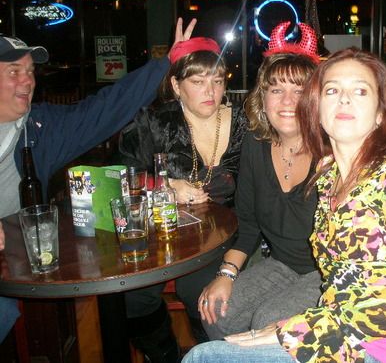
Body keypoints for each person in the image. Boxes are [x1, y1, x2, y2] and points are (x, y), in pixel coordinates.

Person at [183, 48, 386, 363]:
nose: (344, 100)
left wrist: (292, 330)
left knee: (204, 356)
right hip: (345, 324)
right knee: (214, 329)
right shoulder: (330, 175)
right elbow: (346, 281)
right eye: (332, 90)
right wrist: (229, 274)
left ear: (380, 113)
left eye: (360, 91)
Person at [0, 19, 195, 344]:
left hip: (15, 260)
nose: (27, 80)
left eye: (30, 71)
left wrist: (164, 65)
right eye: (14, 71)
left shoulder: (38, 128)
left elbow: (103, 109)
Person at [118, 34, 249, 361]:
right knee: (133, 299)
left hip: (227, 236)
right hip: (164, 232)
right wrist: (164, 185)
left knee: (201, 296)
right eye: (198, 81)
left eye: (217, 81)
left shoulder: (244, 123)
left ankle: (209, 353)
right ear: (176, 86)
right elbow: (121, 175)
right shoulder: (153, 123)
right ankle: (167, 355)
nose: (210, 91)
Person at [198, 21, 322, 340]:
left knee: (267, 321)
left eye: (299, 91)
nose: (287, 102)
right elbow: (248, 223)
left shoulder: (333, 151)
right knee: (216, 310)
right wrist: (226, 273)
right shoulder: (255, 143)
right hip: (281, 265)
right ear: (262, 98)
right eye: (276, 90)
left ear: (315, 99)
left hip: (328, 275)